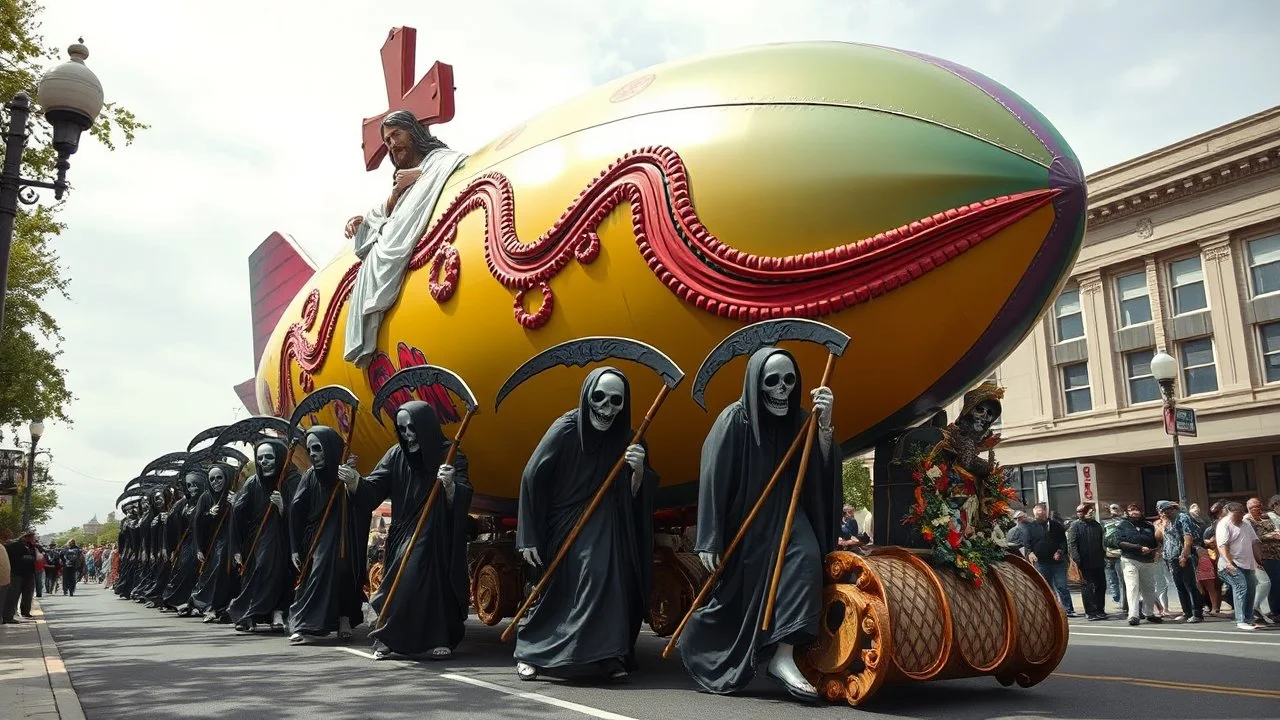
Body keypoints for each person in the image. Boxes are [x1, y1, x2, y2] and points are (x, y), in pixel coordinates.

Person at [675, 347, 840, 702]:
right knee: (739, 599)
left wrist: (824, 429)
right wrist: (710, 537)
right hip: (747, 523)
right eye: (772, 382)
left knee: (805, 560)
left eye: (788, 381)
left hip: (789, 515)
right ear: (756, 384)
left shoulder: (800, 420)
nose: (781, 389)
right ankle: (700, 639)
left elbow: (817, 473)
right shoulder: (734, 420)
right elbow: (713, 477)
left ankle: (783, 654)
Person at [512, 369, 657, 682]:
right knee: (576, 583)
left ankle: (608, 654)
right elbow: (532, 476)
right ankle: (532, 650)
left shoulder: (629, 439)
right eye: (600, 398)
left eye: (616, 401)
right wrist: (528, 535)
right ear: (587, 396)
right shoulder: (565, 429)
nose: (607, 408)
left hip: (609, 524)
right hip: (565, 524)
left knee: (614, 582)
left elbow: (637, 494)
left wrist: (638, 472)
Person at [344, 401, 474, 661]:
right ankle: (387, 635)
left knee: (429, 580)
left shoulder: (450, 454)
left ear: (425, 426)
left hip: (437, 532)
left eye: (412, 428)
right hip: (404, 531)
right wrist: (355, 481)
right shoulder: (395, 455)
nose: (407, 435)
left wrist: (450, 487)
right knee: (405, 573)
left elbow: (463, 492)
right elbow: (374, 489)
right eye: (402, 429)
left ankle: (436, 636)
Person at [341, 110, 468, 367]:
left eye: (397, 135)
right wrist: (363, 222)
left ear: (413, 132)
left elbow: (456, 162)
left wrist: (420, 176)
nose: (392, 144)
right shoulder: (401, 182)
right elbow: (387, 213)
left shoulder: (439, 161)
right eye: (387, 141)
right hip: (384, 253)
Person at [288, 426, 369, 644]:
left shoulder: (345, 472)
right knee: (316, 572)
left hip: (345, 535)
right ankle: (303, 622)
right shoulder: (310, 476)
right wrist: (295, 547)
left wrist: (352, 482)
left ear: (331, 448)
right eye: (310, 450)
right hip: (317, 537)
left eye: (318, 448)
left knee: (345, 573)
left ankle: (344, 619)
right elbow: (296, 511)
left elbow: (362, 502)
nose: (313, 454)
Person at [1111, 502, 1162, 626]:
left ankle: (1149, 613)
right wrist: (1139, 548)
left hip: (1148, 560)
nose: (1134, 512)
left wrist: (1156, 551)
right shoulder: (1123, 525)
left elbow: (1155, 542)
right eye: (1131, 510)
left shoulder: (1148, 526)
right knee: (1133, 587)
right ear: (1127, 513)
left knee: (1149, 588)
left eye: (1136, 510)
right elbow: (1119, 542)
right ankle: (1133, 615)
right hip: (1130, 560)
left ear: (1141, 512)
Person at [1022, 502, 1074, 617]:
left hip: (1057, 562)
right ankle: (1052, 608)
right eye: (1036, 514)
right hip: (1041, 562)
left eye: (1040, 513)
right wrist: (1030, 553)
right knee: (1047, 587)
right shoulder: (1030, 528)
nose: (1038, 516)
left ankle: (1068, 609)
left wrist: (1060, 551)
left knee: (1062, 586)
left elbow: (1063, 542)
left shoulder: (1056, 526)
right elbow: (1027, 543)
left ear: (1045, 512)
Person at [1154, 500, 1203, 623]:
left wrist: (1184, 555)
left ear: (1171, 509)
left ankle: (1197, 613)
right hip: (1170, 557)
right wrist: (1162, 523)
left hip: (1183, 556)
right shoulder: (1167, 521)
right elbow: (1159, 538)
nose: (1164, 513)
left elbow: (1188, 537)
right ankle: (1186, 612)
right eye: (1161, 511)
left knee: (1190, 585)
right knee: (1179, 585)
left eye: (1165, 510)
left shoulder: (1182, 517)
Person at [1216, 501, 1262, 631]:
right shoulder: (1223, 525)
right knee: (1241, 586)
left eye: (1241, 515)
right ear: (1229, 514)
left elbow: (1254, 543)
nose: (1239, 518)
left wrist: (1259, 561)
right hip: (1230, 564)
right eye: (1236, 515)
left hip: (1247, 564)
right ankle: (1240, 620)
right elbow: (1222, 546)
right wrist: (1229, 562)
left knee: (1251, 588)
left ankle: (1248, 618)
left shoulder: (1246, 525)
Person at [1066, 503, 1107, 620]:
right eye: (1088, 511)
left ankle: (1100, 609)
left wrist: (1103, 556)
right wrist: (1077, 560)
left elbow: (1101, 543)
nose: (1091, 513)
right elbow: (1072, 544)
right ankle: (1090, 611)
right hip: (1084, 562)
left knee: (1101, 585)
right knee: (1087, 587)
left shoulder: (1097, 525)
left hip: (1098, 560)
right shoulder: (1075, 526)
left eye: (1092, 511)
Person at [4, 529, 38, 623]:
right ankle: (8, 616)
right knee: (13, 595)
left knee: (28, 594)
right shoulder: (13, 546)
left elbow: (35, 558)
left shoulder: (32, 547)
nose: (32, 539)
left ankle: (25, 612)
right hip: (16, 573)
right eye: (30, 537)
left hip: (29, 573)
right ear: (24, 537)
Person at [1102, 503, 1124, 607]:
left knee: (1122, 578)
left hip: (1120, 554)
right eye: (1112, 508)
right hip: (1109, 555)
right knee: (1112, 578)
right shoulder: (1105, 522)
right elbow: (1102, 537)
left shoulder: (1124, 522)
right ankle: (1116, 596)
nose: (1114, 510)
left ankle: (1123, 601)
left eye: (1116, 508)